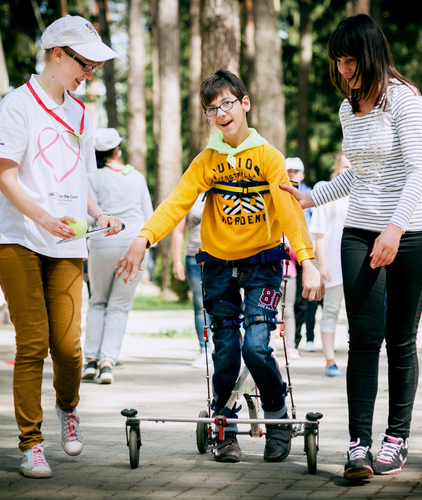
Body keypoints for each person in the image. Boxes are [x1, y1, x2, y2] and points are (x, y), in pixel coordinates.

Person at [116, 68, 324, 464]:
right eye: (212, 109)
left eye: (227, 103)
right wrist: (143, 238)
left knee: (257, 345)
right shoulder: (207, 160)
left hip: (263, 263)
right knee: (226, 351)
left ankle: (277, 412)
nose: (221, 113)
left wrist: (308, 260)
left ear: (245, 104)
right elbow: (177, 202)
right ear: (208, 117)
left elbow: (288, 211)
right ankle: (224, 424)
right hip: (217, 266)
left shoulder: (268, 157)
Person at [281, 14, 422, 480]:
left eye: (350, 61)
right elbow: (362, 172)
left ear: (369, 55)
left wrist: (394, 229)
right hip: (360, 232)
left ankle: (396, 437)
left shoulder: (405, 101)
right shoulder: (349, 108)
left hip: (411, 232)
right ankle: (357, 446)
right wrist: (314, 196)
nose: (344, 70)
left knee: (401, 338)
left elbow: (417, 172)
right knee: (363, 339)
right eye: (338, 62)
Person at [0, 15, 120, 478]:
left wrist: (98, 213)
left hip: (70, 242)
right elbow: (6, 175)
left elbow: (77, 178)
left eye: (92, 66)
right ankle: (31, 443)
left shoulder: (82, 114)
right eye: (83, 64)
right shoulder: (16, 105)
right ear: (57, 54)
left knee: (69, 348)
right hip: (19, 238)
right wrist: (44, 218)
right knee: (33, 343)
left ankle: (67, 407)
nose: (88, 73)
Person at [82, 128, 153, 384]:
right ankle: (107, 363)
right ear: (118, 150)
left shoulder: (90, 176)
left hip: (101, 242)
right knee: (119, 306)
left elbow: (87, 212)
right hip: (133, 243)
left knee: (98, 301)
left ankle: (90, 360)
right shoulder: (135, 176)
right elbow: (149, 214)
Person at [310, 153, 351, 377]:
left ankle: (356, 360)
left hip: (356, 267)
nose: (348, 169)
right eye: (344, 166)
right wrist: (321, 263)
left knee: (356, 316)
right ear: (336, 168)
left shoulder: (361, 191)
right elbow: (319, 234)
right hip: (333, 266)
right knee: (331, 312)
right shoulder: (326, 190)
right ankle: (330, 361)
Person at [171, 193, 212, 369]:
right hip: (194, 258)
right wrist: (177, 261)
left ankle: (225, 347)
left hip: (220, 258)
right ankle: (205, 349)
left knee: (224, 302)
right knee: (200, 304)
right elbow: (179, 231)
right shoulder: (190, 196)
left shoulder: (224, 189)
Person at [285, 157, 318, 354]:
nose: (292, 174)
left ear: (302, 174)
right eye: (289, 170)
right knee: (289, 301)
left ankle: (298, 339)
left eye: (295, 171)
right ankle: (293, 341)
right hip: (287, 256)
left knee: (302, 300)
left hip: (304, 254)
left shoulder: (311, 194)